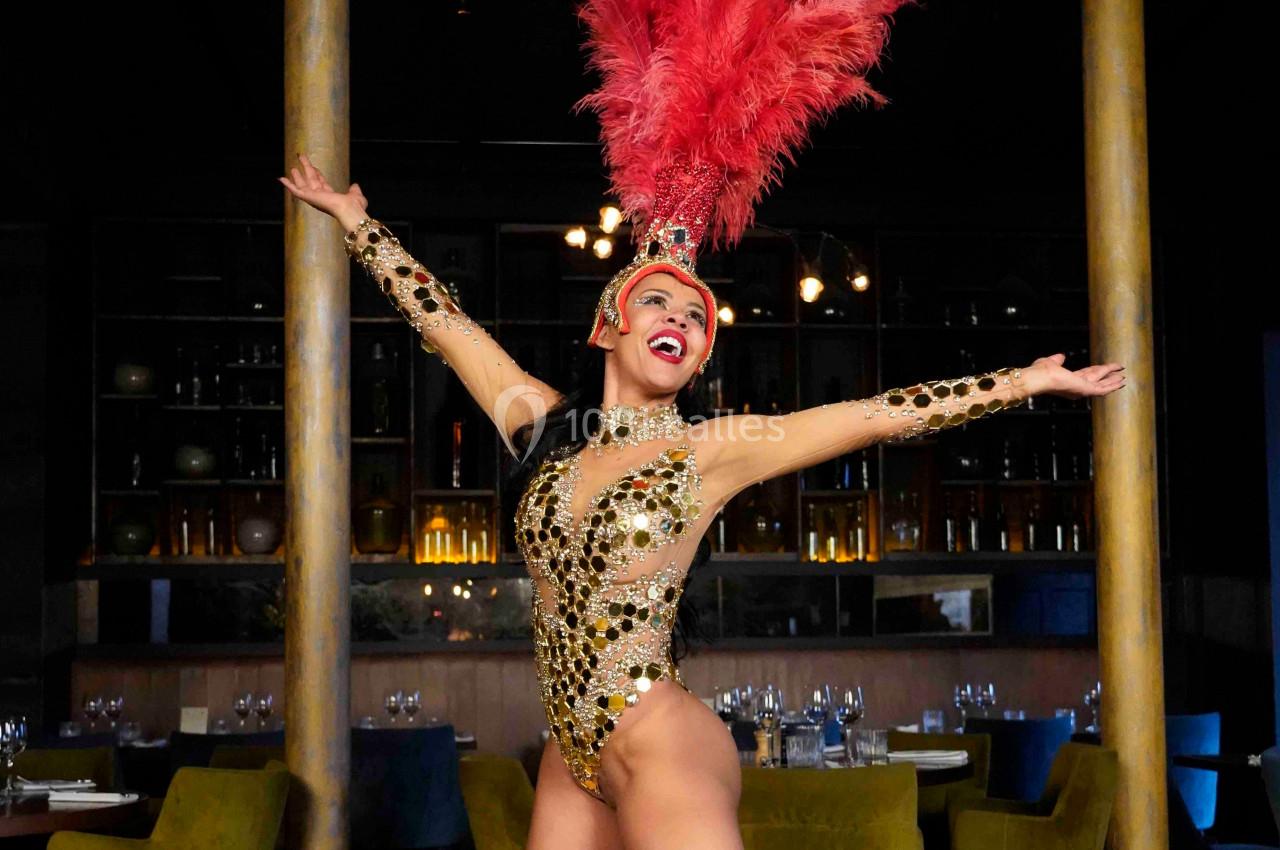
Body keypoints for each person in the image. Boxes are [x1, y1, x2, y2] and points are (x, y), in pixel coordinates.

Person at [280, 5, 1120, 849]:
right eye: (657, 302)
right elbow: (446, 326)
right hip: (572, 753)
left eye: (696, 318)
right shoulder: (541, 426)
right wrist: (357, 225)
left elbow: (870, 417)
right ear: (608, 326)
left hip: (664, 745)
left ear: (698, 359)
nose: (678, 319)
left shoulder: (711, 450)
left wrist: (1024, 382)